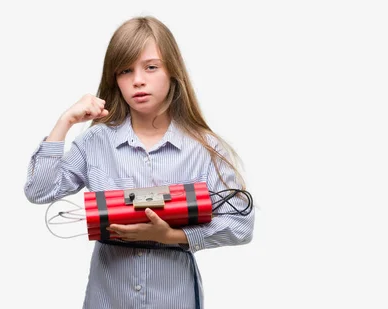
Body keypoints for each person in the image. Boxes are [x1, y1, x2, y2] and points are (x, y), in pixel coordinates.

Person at [24, 15, 254, 309]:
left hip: (174, 299)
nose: (138, 80)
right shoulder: (95, 142)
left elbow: (241, 225)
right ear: (114, 79)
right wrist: (64, 122)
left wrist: (173, 235)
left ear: (172, 71)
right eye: (125, 70)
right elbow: (39, 191)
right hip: (107, 298)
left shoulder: (205, 148)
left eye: (151, 67)